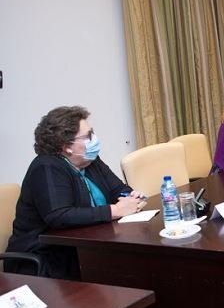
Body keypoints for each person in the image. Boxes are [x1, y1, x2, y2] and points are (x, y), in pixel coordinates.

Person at [5, 106, 147, 279]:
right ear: (67, 147)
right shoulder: (46, 168)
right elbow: (59, 215)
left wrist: (131, 198)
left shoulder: (90, 160)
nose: (94, 139)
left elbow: (119, 189)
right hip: (46, 262)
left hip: (89, 247)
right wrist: (115, 210)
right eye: (88, 136)